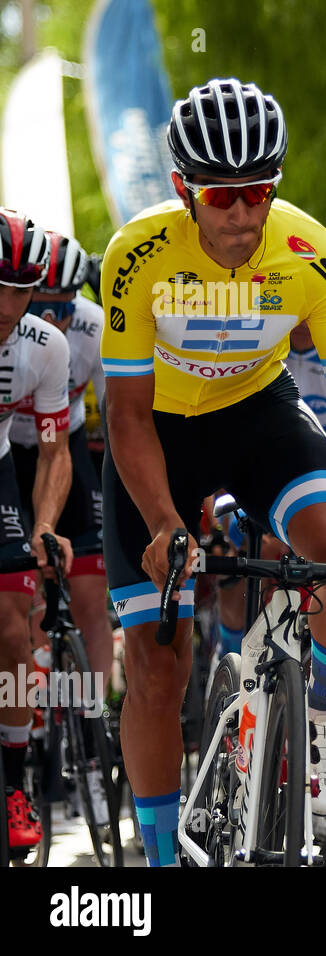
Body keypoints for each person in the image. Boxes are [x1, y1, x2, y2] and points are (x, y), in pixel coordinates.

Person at [100, 78, 326, 867]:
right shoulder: (136, 255)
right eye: (222, 195)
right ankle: (158, 857)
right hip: (161, 437)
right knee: (155, 660)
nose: (243, 214)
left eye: (259, 192)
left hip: (258, 415)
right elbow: (126, 415)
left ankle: (317, 711)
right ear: (184, 189)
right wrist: (163, 523)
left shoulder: (311, 253)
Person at [0, 209, 73, 855]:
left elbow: (53, 450)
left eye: (20, 289)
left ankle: (13, 783)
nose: (7, 303)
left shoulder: (46, 346)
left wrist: (45, 523)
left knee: (15, 626)